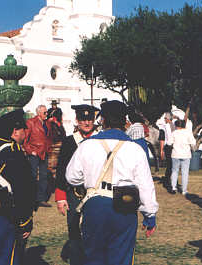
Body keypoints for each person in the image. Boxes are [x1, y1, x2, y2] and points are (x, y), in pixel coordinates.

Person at [66, 100, 158, 265]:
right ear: (124, 122)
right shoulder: (135, 148)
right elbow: (145, 185)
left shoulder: (86, 145)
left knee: (93, 258)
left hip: (96, 204)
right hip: (125, 206)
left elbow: (72, 177)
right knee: (121, 257)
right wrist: (149, 215)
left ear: (103, 120)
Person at [0, 109, 36, 265]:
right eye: (23, 130)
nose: (25, 133)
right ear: (14, 132)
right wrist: (26, 222)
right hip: (9, 213)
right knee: (10, 258)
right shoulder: (14, 152)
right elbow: (24, 190)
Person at [55, 104, 99, 265]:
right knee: (74, 231)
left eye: (89, 119)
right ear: (77, 120)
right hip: (75, 194)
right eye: (83, 119)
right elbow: (61, 170)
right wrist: (60, 196)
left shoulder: (101, 140)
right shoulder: (69, 142)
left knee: (95, 231)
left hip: (96, 193)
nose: (86, 123)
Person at [23, 105, 53, 207]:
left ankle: (41, 199)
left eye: (46, 112)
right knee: (33, 176)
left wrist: (49, 148)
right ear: (39, 113)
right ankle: (31, 199)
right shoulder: (31, 122)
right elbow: (25, 140)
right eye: (45, 112)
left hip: (44, 152)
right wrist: (30, 151)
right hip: (35, 152)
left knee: (44, 176)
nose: (47, 114)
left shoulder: (47, 123)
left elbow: (48, 137)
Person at [168, 119, 196, 195]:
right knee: (185, 172)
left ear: (176, 126)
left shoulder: (174, 133)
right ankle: (184, 190)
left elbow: (169, 143)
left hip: (175, 154)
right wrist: (193, 149)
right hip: (186, 154)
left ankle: (173, 187)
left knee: (174, 171)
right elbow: (193, 143)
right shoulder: (188, 133)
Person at [156, 112, 174, 188]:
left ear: (168, 118)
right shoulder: (174, 125)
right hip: (172, 146)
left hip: (168, 146)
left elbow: (163, 138)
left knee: (170, 164)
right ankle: (169, 179)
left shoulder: (166, 126)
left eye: (165, 118)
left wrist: (162, 149)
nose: (164, 119)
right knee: (171, 165)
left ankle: (168, 179)